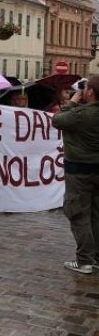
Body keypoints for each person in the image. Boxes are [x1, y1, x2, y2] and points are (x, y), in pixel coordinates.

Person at [52, 76, 99, 274]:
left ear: (90, 92)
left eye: (86, 88)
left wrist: (71, 102)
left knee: (78, 213)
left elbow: (57, 120)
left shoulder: (82, 114)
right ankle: (95, 257)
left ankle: (84, 260)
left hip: (79, 171)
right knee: (96, 214)